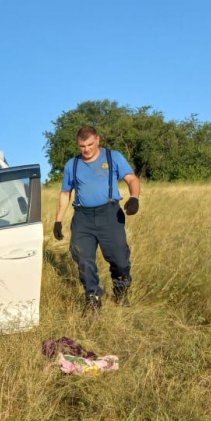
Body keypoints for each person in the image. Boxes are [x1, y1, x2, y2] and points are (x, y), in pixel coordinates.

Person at [53, 126, 141, 311]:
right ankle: (92, 298)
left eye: (90, 144)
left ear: (98, 140)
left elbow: (132, 179)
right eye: (82, 146)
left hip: (109, 214)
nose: (87, 149)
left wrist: (134, 198)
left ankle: (121, 291)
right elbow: (65, 193)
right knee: (83, 259)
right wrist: (58, 220)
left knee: (119, 259)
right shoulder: (72, 164)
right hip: (83, 218)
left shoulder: (113, 157)